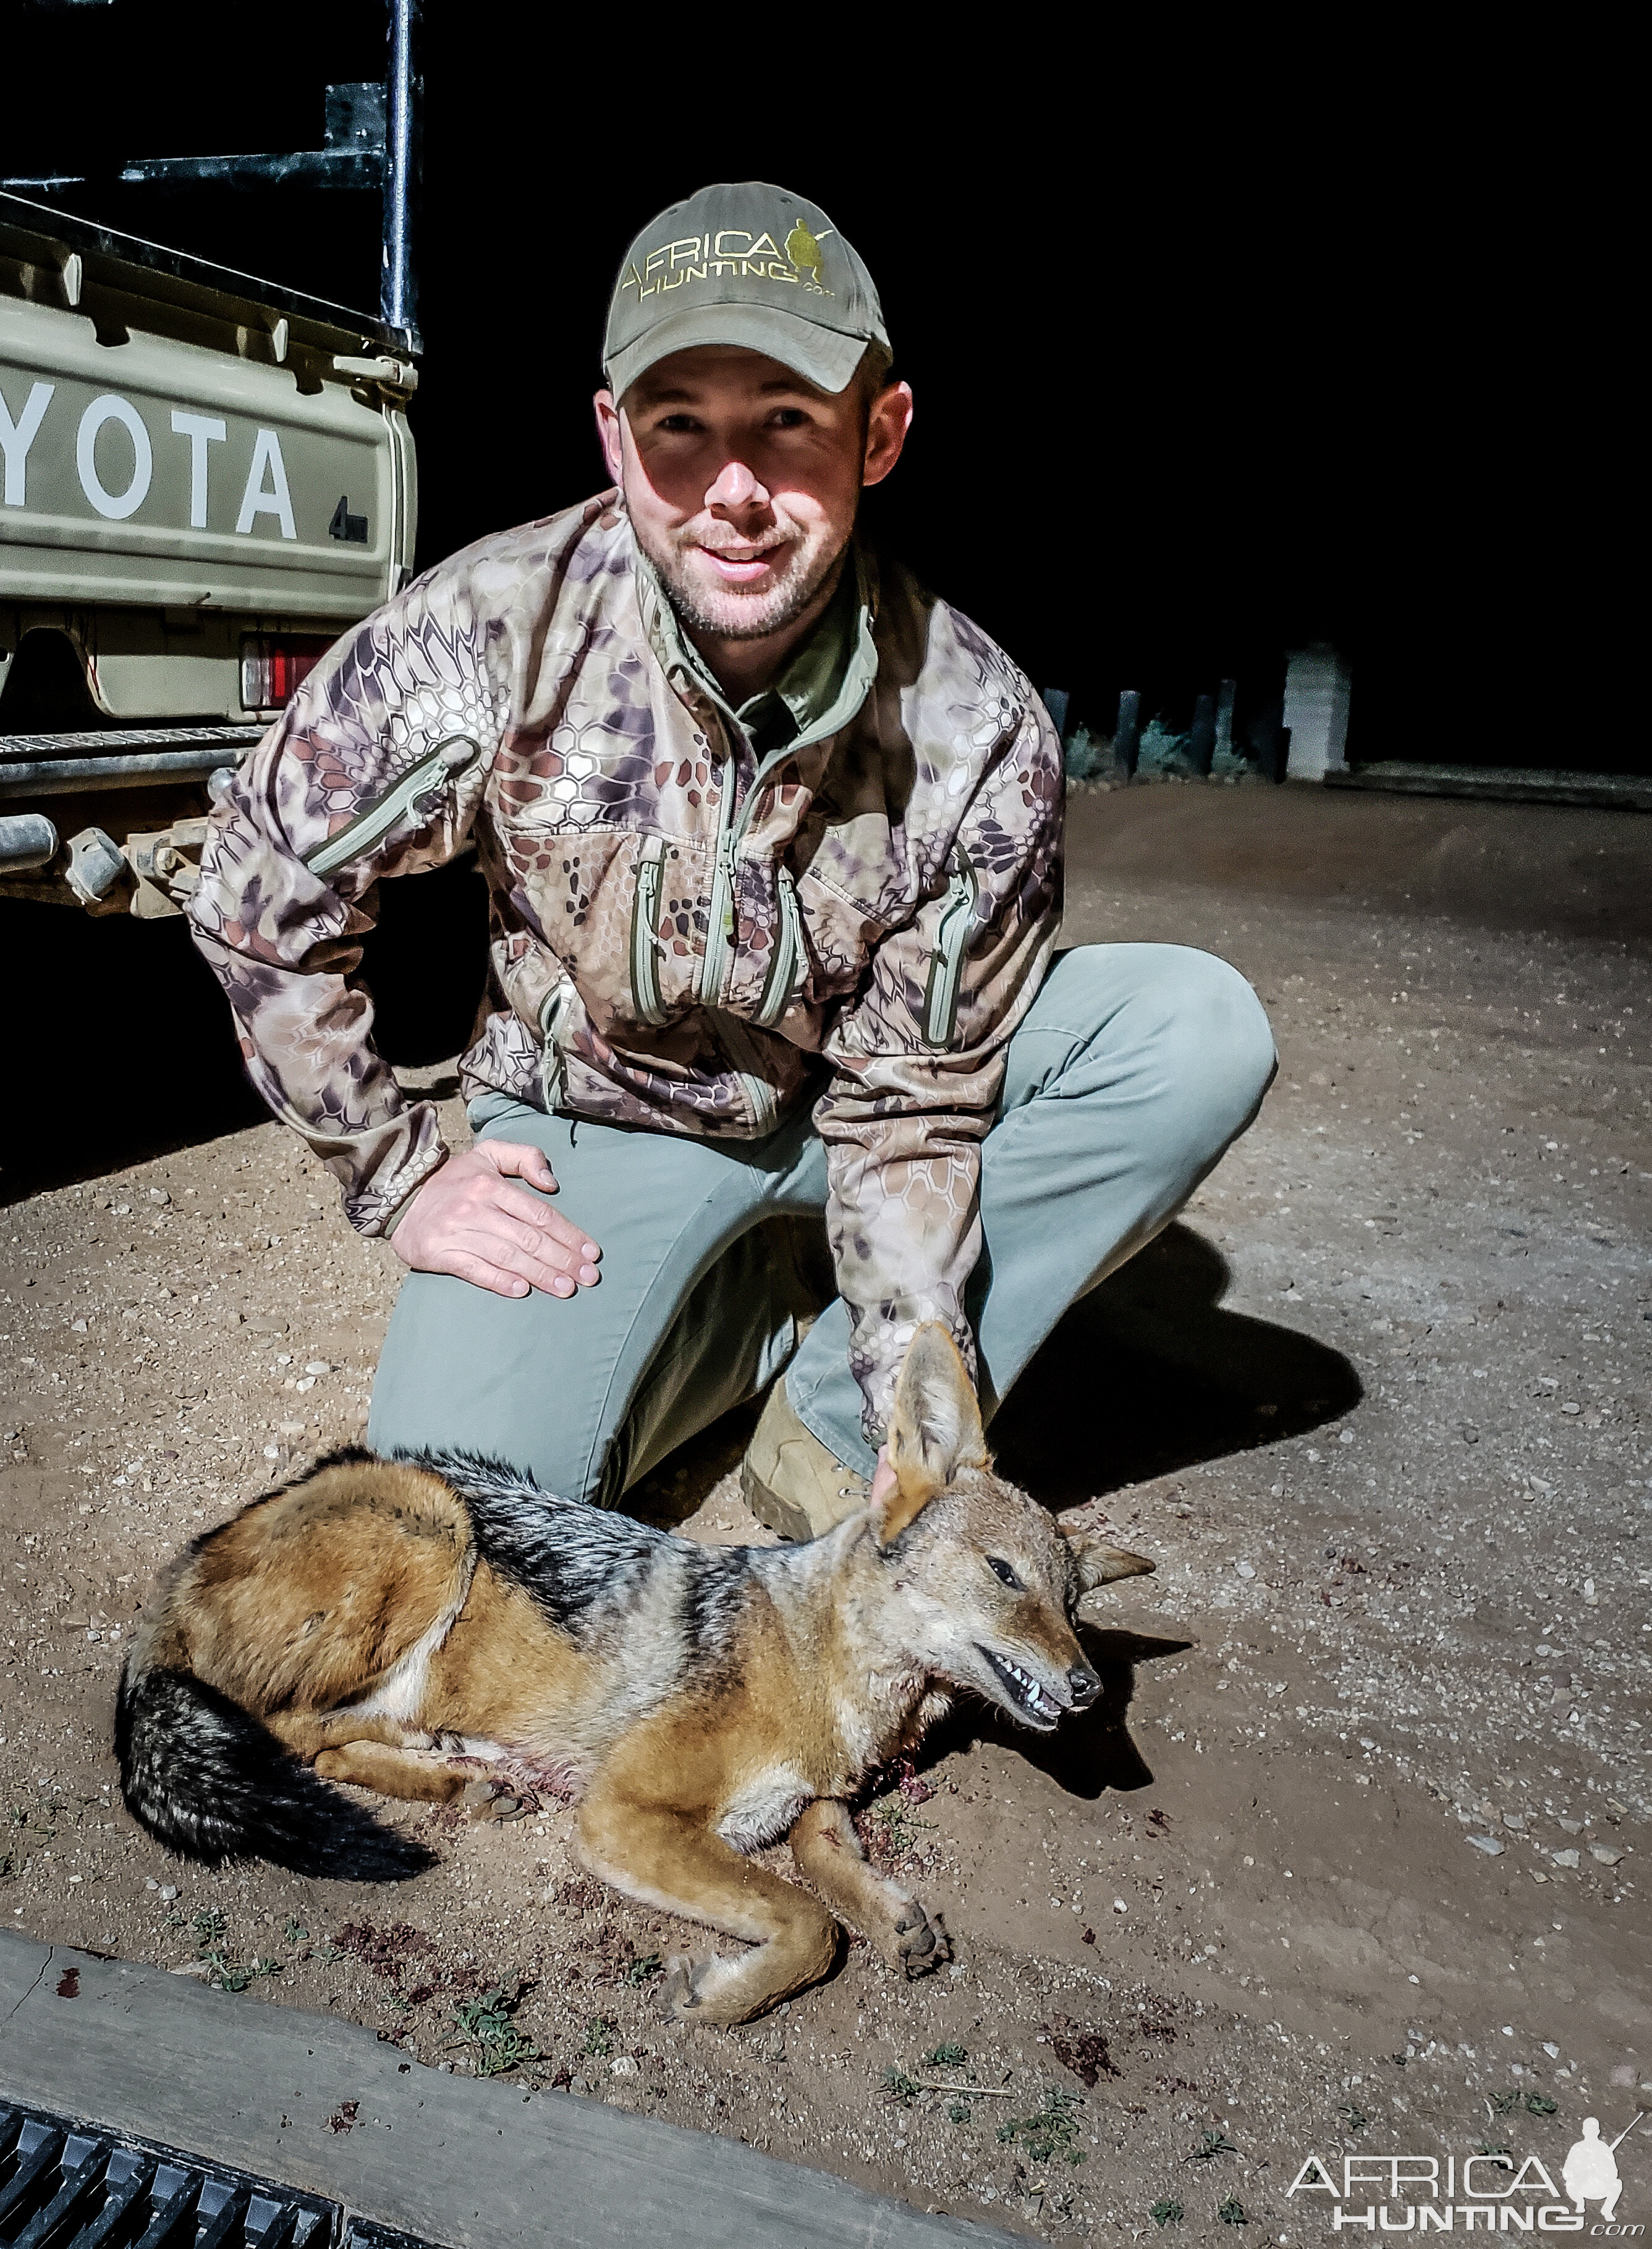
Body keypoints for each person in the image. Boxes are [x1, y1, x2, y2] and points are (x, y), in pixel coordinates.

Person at [188, 181, 1277, 1536]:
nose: (737, 492)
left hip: (850, 1113)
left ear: (880, 434)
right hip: (597, 1124)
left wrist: (897, 1389)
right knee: (460, 1529)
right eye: (681, 429)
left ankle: (813, 1403)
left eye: (788, 423)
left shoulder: (975, 725)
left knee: (1193, 1030)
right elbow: (257, 877)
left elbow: (916, 1107)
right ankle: (739, 1309)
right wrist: (399, 1172)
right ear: (613, 436)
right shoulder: (493, 630)